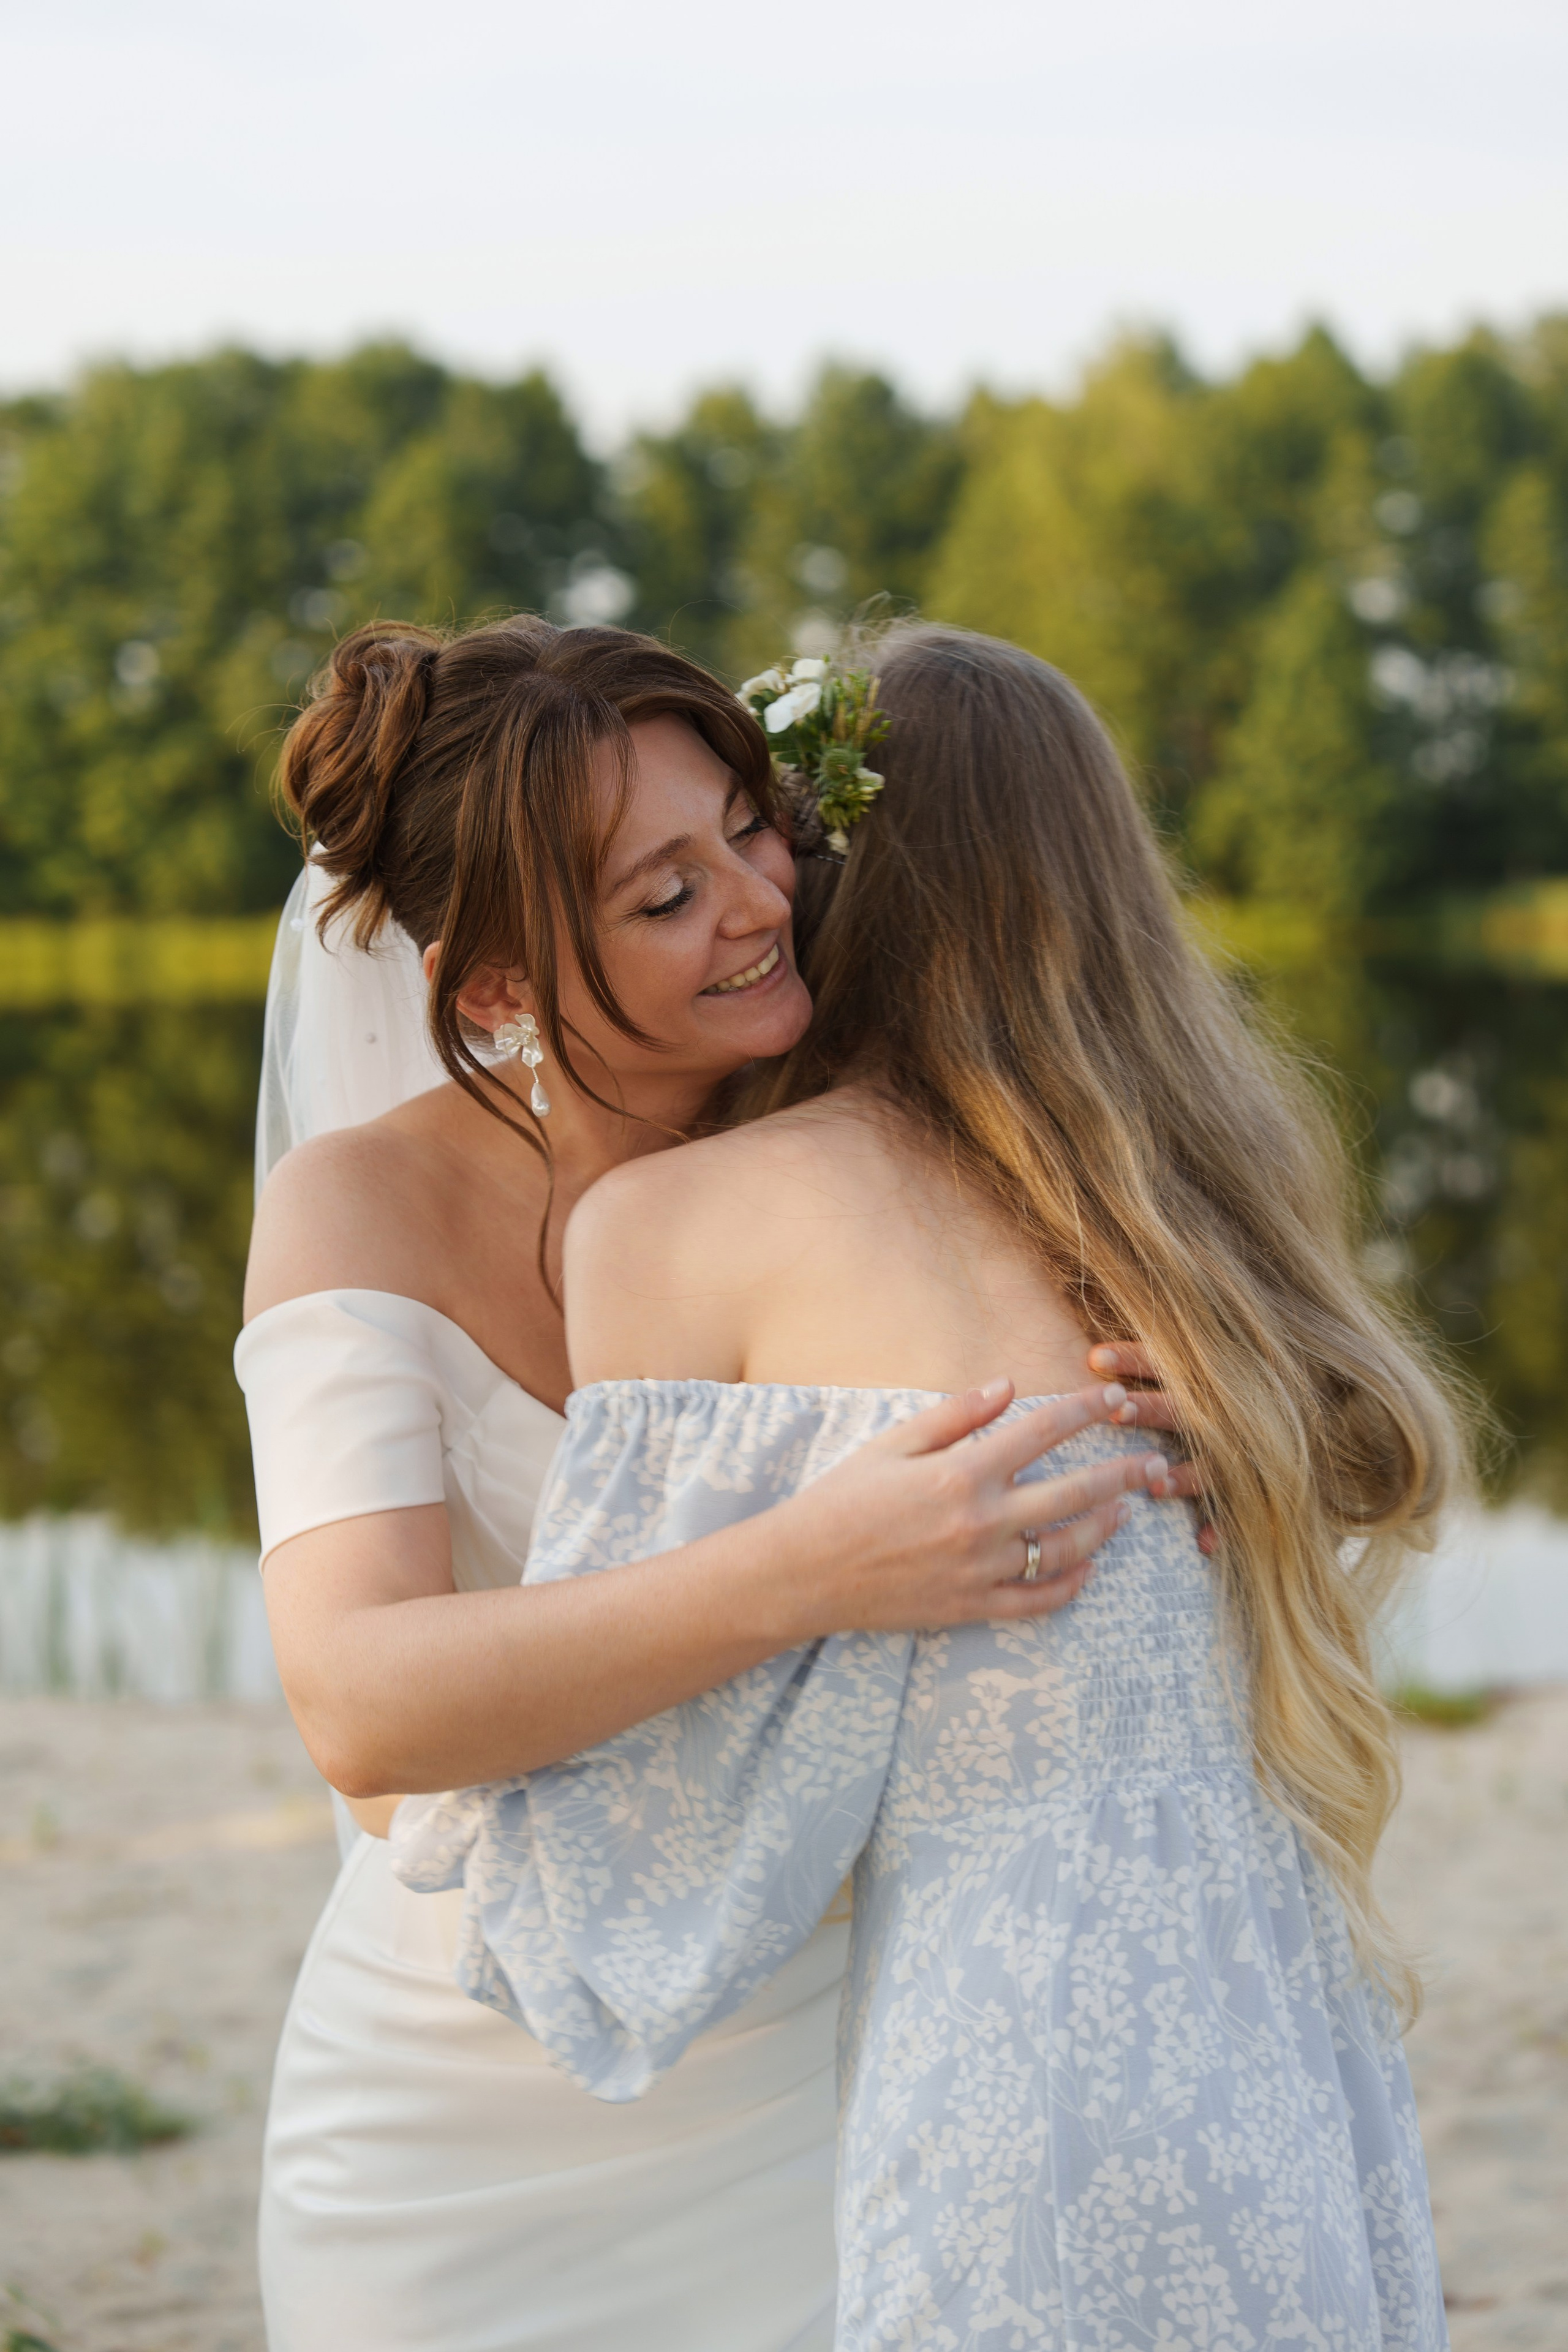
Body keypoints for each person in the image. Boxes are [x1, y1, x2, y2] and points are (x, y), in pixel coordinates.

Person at [393, 624, 1462, 2350]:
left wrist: (440, 1828)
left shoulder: (673, 1222)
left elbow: (661, 1785)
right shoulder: (1189, 1212)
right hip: (1280, 2004)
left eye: (767, 841)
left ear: (840, 870)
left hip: (1012, 2039)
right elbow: (1387, 1451)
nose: (751, 892)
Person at [237, 617, 1183, 2352]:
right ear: (500, 992)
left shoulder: (882, 1142)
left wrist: (1143, 1410)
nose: (758, 902)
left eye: (756, 830)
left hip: (820, 2065)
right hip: (471, 2106)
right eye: (664, 897)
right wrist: (821, 1564)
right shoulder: (359, 1210)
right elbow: (359, 1705)